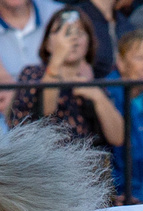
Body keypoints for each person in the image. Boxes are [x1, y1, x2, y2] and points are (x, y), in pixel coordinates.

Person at [7, 9, 123, 152]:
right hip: (45, 165)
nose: (72, 38)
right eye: (63, 31)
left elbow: (118, 138)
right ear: (47, 43)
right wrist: (58, 58)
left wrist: (98, 97)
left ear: (89, 43)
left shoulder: (94, 83)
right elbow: (45, 113)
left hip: (89, 169)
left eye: (79, 32)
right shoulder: (32, 74)